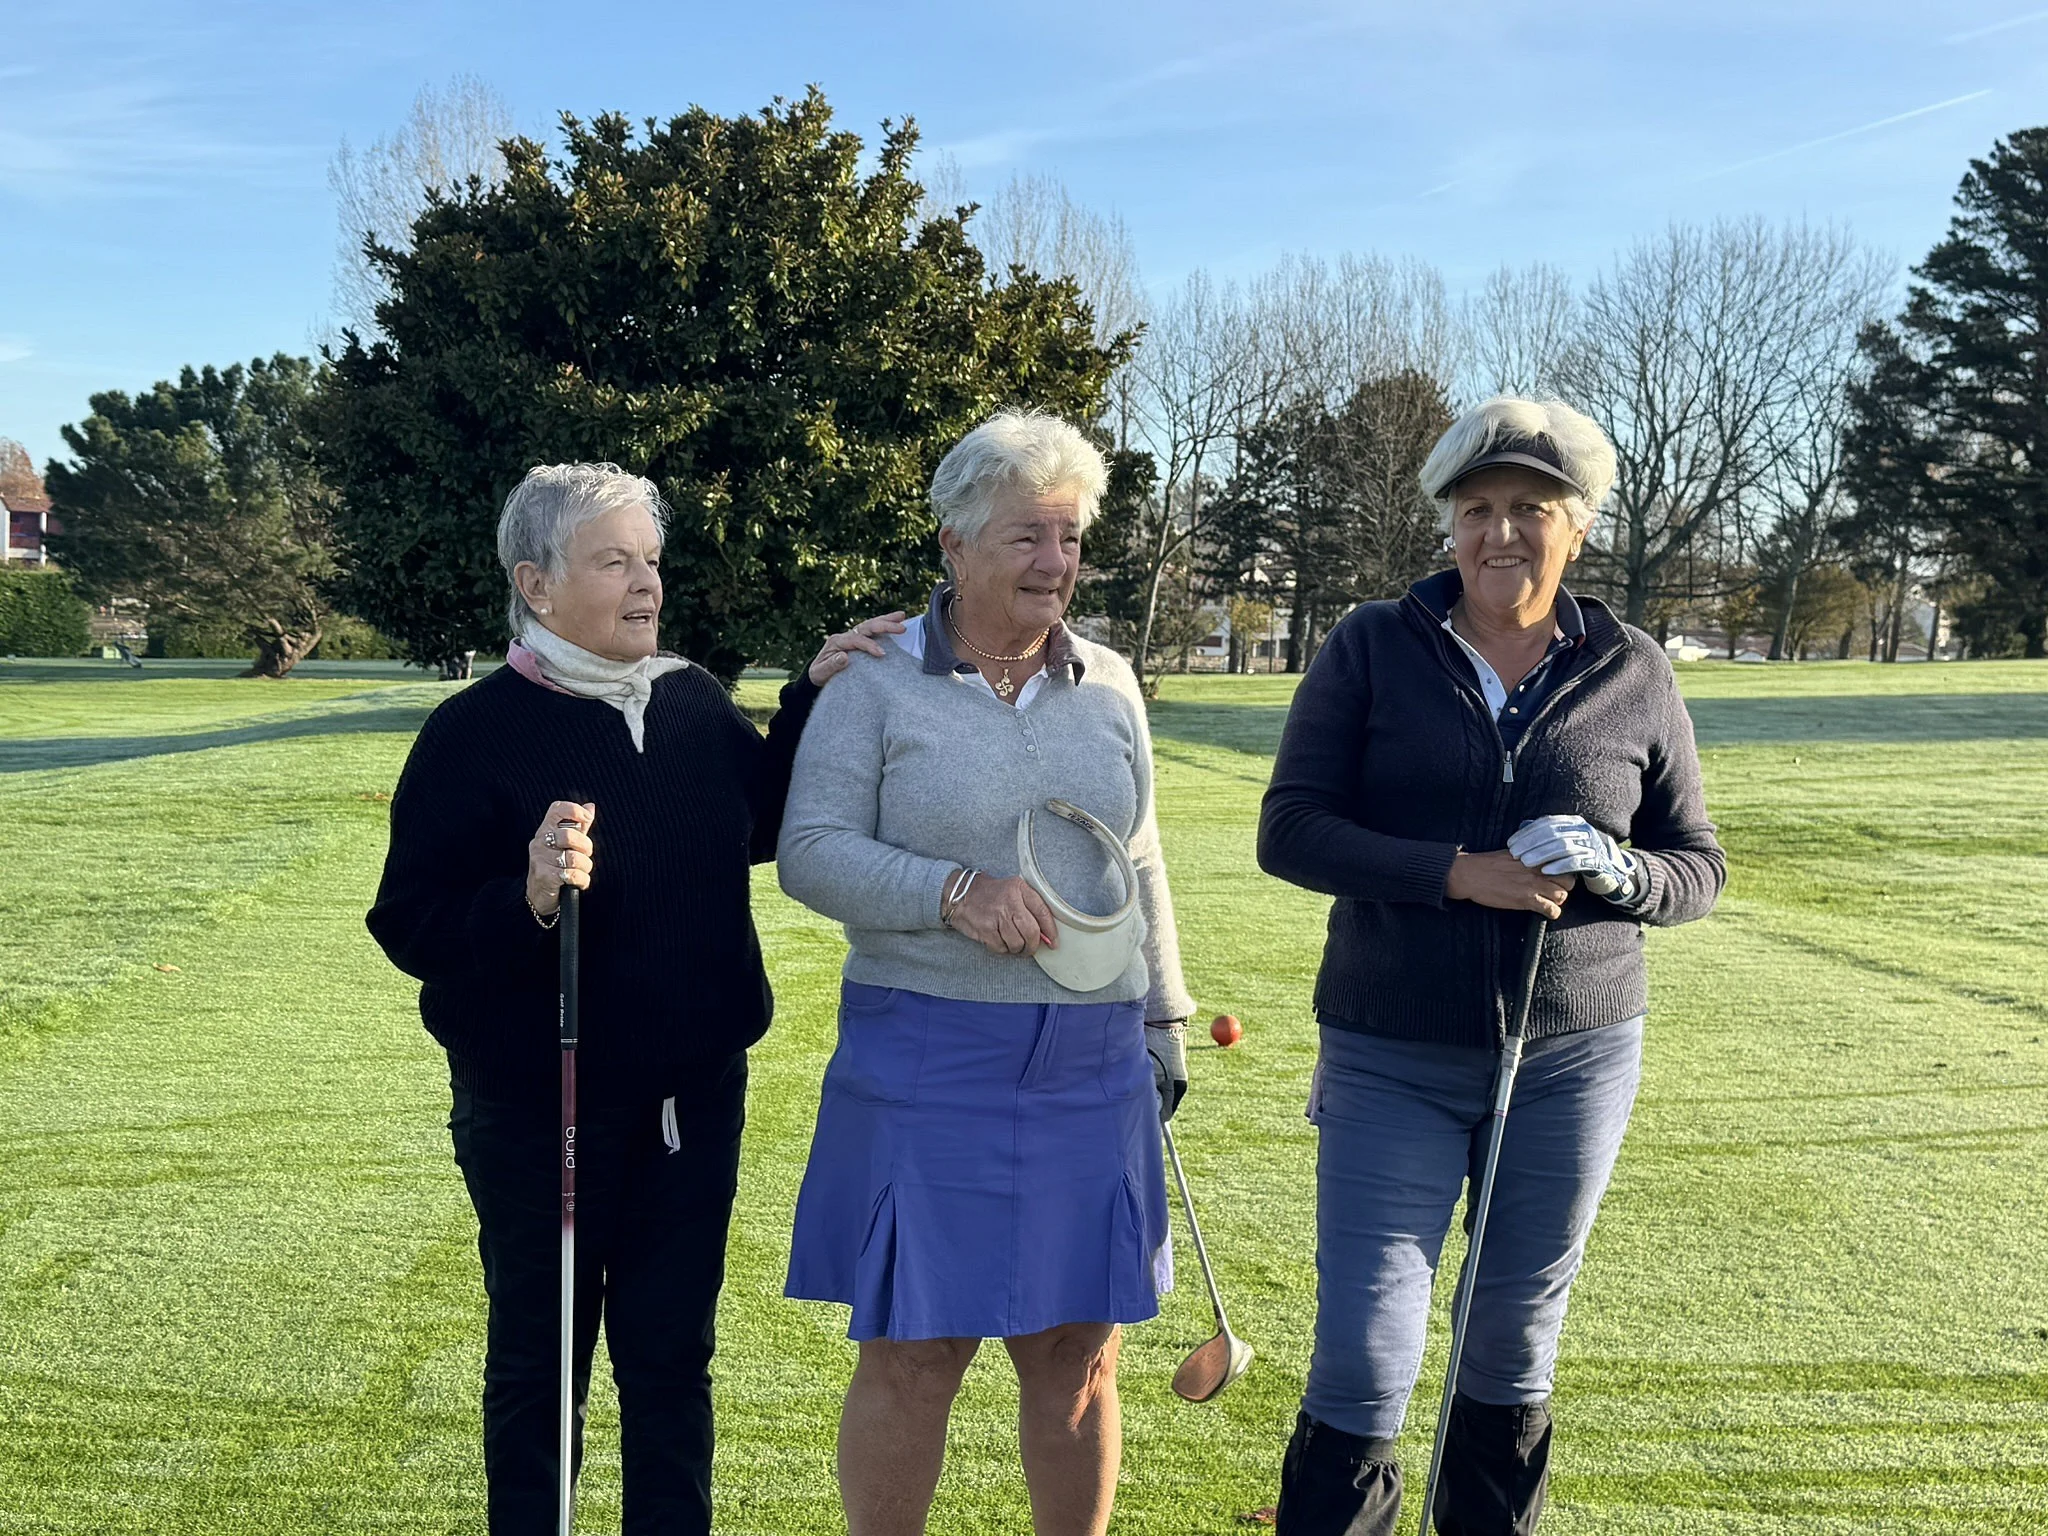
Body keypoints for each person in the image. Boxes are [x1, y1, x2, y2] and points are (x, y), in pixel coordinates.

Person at [365, 462, 902, 1536]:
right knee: (543, 1363)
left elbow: (758, 823)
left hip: (692, 1104)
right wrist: (523, 896)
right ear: (537, 582)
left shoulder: (687, 700)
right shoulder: (473, 732)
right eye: (614, 562)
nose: (647, 583)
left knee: (670, 1362)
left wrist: (810, 695)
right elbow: (408, 921)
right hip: (539, 1111)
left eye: (650, 560)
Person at [1257, 397, 1726, 1535]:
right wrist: (1457, 874)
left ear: (1579, 526)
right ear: (1448, 524)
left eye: (1530, 508)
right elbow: (1292, 830)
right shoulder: (1372, 644)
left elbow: (1696, 866)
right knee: (1366, 1346)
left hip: (1573, 1055)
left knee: (1511, 1337)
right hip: (1389, 1049)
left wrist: (1620, 870)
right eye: (1476, 509)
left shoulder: (1632, 667)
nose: (1499, 532)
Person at [775, 409, 1198, 1536]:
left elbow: (1137, 857)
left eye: (1069, 537)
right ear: (954, 545)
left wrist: (1163, 1021)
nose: (1055, 562)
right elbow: (808, 852)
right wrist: (951, 891)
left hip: (1092, 1060)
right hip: (927, 1053)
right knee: (916, 1352)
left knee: (1077, 1355)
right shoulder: (870, 683)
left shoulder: (1110, 682)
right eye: (1026, 537)